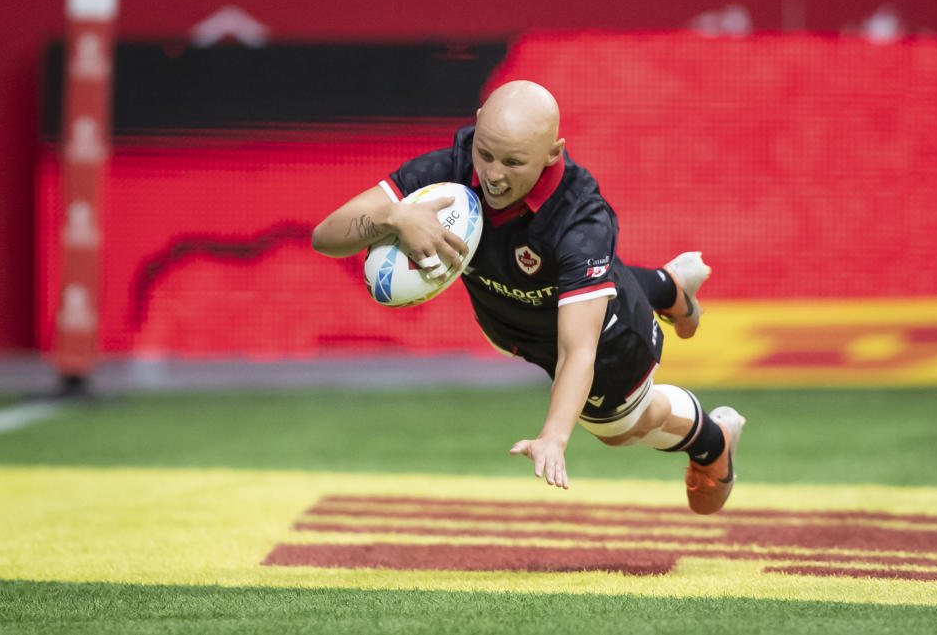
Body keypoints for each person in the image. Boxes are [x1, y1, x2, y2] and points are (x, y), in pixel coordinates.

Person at [312, 80, 745, 514]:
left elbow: (578, 351)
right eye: (485, 153)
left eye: (514, 162)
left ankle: (713, 440)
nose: (493, 175)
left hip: (607, 336)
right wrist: (394, 214)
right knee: (564, 275)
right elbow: (325, 236)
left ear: (552, 154)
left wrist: (554, 437)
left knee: (620, 429)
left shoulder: (581, 219)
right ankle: (668, 286)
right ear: (478, 124)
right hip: (514, 320)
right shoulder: (451, 168)